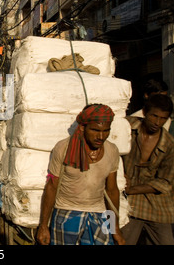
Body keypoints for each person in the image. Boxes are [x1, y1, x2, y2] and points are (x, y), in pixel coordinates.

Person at [36, 104, 125, 245]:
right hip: (67, 214)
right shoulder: (63, 148)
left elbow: (112, 191)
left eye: (106, 131)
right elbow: (52, 186)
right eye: (95, 130)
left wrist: (115, 228)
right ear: (83, 127)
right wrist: (43, 226)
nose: (101, 136)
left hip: (99, 214)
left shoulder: (112, 150)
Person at [121, 93, 174, 245]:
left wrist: (131, 189)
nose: (157, 122)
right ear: (144, 112)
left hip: (157, 205)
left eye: (163, 118)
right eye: (154, 116)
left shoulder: (170, 145)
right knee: (121, 239)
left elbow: (166, 182)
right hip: (129, 204)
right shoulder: (127, 127)